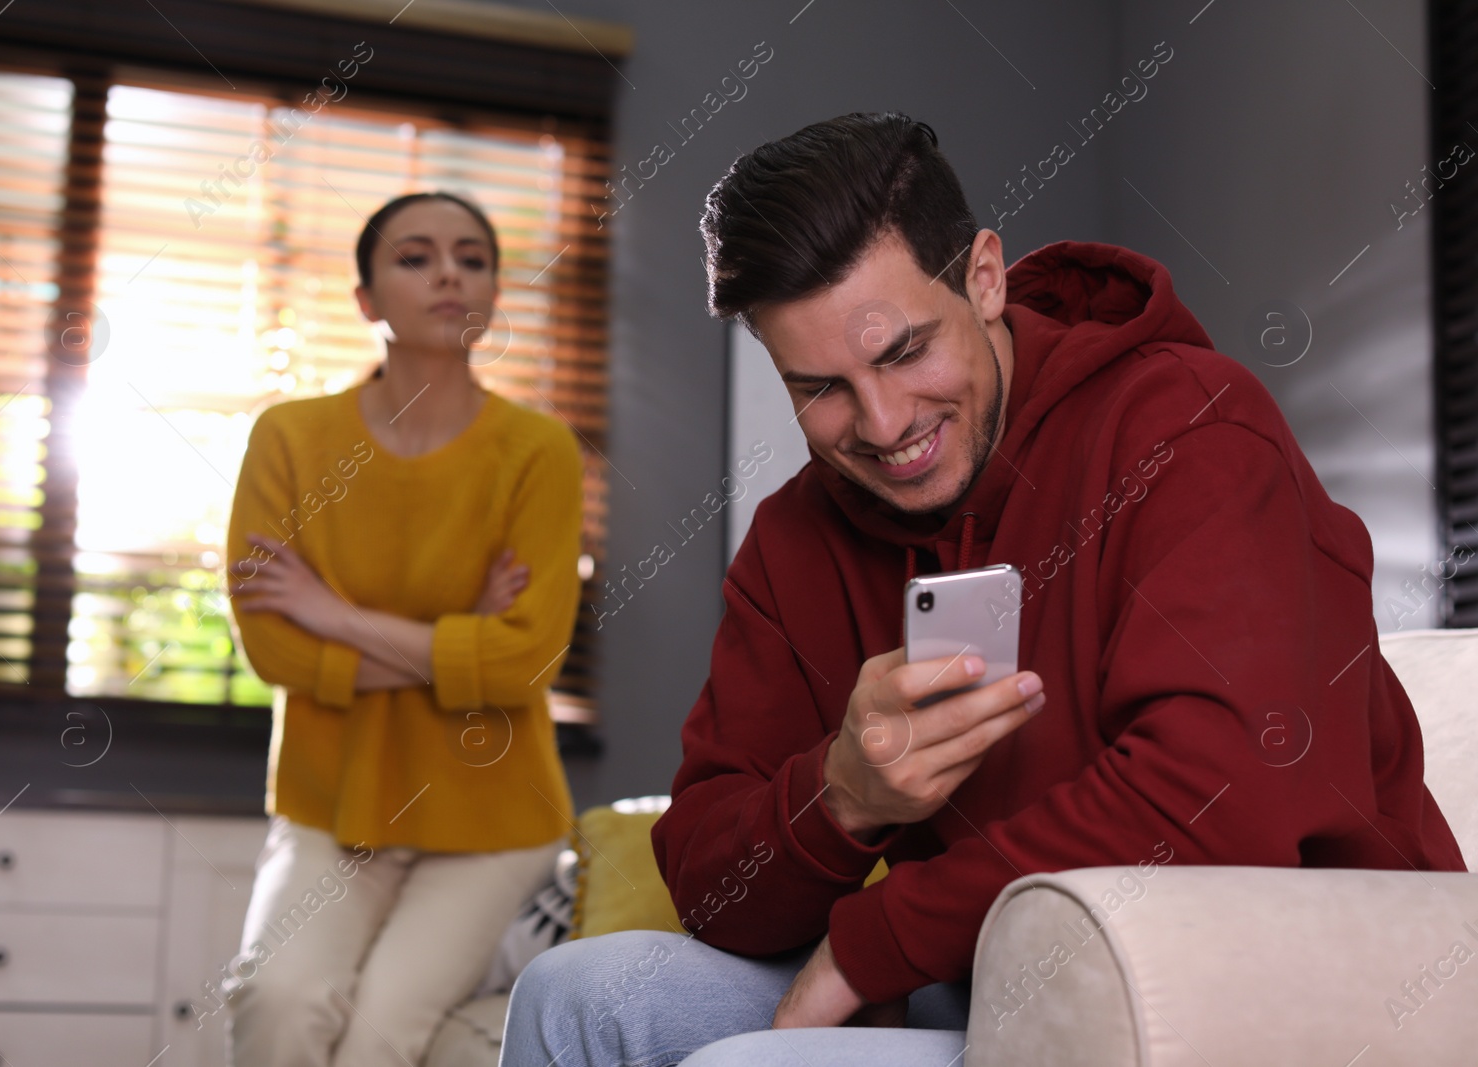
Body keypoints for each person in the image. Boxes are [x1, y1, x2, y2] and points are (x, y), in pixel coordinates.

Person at [499, 112, 1467, 1066]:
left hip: (1251, 989)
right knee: (572, 996)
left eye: (903, 351)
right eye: (818, 387)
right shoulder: (797, 537)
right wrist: (842, 798)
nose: (881, 425)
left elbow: (1219, 790)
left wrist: (874, 939)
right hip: (976, 975)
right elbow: (712, 883)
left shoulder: (1193, 432)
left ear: (986, 276)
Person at [223, 191, 585, 1067]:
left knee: (379, 1037)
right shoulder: (289, 439)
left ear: (495, 289)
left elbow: (528, 661)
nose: (450, 273)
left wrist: (336, 617)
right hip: (332, 803)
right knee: (279, 1000)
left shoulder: (538, 451)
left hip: (495, 817)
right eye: (416, 257)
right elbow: (275, 648)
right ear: (365, 299)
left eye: (472, 257)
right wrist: (463, 643)